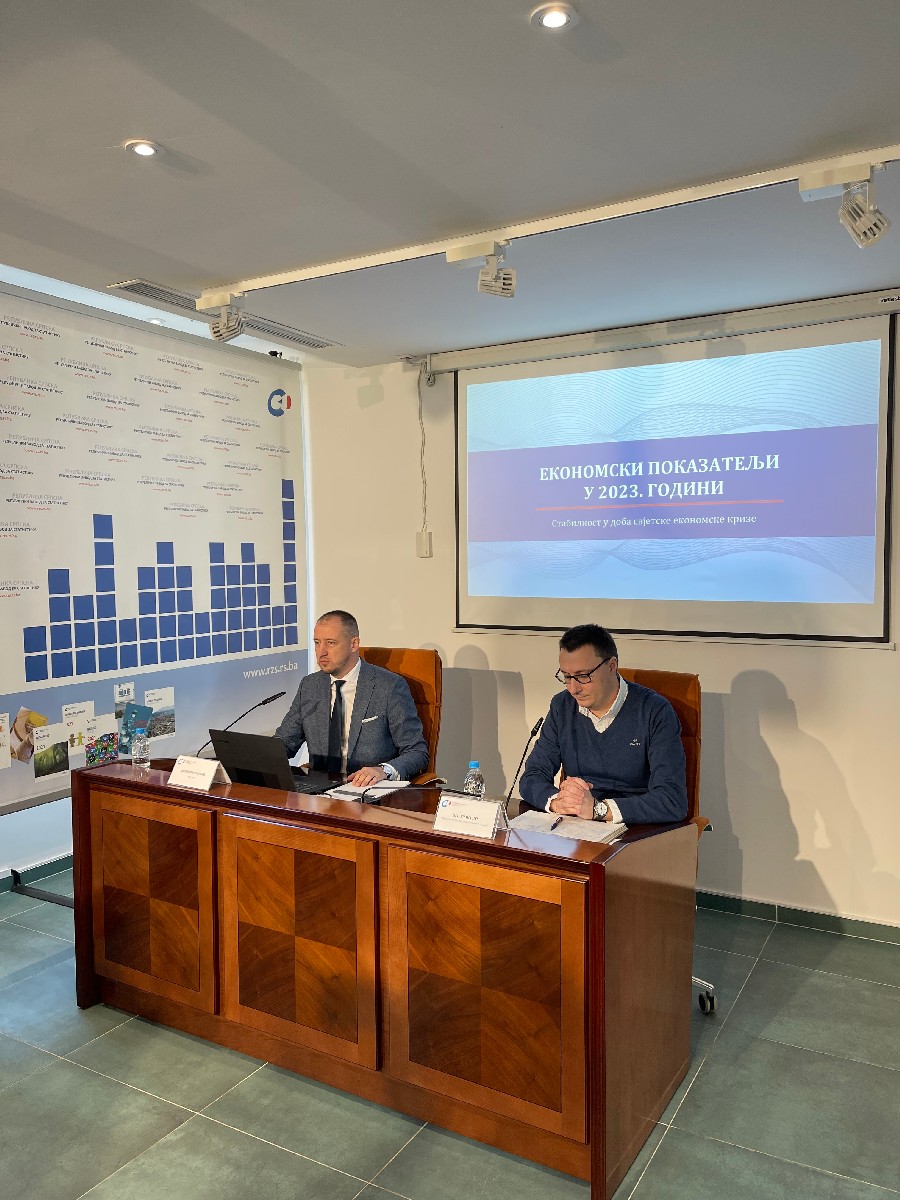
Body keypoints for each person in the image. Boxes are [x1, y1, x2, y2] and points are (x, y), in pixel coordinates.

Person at [518, 624, 687, 825]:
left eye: (583, 676)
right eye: (566, 677)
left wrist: (598, 809)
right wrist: (557, 802)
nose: (573, 688)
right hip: (577, 825)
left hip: (635, 827)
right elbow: (532, 776)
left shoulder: (655, 711)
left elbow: (671, 800)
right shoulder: (562, 706)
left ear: (612, 666)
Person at [276, 610, 428, 785]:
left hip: (367, 790)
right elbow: (284, 743)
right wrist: (254, 757)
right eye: (317, 643)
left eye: (330, 643)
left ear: (354, 644)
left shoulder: (388, 687)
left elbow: (417, 751)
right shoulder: (310, 685)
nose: (321, 652)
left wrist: (382, 771)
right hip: (319, 789)